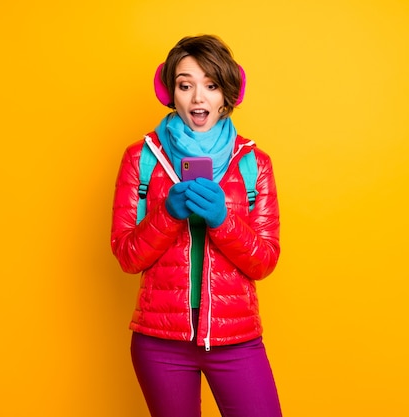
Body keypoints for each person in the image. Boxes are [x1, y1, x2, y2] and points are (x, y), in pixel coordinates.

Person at [110, 35, 282, 417]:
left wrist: (224, 221)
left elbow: (265, 261)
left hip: (236, 339)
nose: (198, 98)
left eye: (211, 85)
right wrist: (167, 214)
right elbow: (126, 256)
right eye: (185, 85)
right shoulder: (141, 158)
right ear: (170, 91)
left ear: (227, 93)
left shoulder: (255, 163)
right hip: (160, 341)